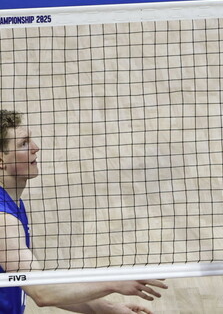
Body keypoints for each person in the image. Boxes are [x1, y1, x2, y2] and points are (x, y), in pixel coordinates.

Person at [0, 110, 168, 314]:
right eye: (23, 144)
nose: (36, 148)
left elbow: (43, 285)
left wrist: (108, 309)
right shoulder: (4, 221)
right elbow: (42, 292)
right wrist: (112, 283)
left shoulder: (12, 204)